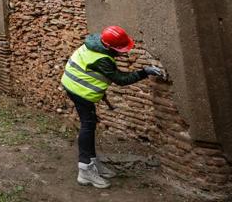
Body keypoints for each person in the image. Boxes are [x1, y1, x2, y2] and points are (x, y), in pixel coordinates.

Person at [61, 25, 164, 189]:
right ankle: (85, 170)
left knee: (90, 124)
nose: (123, 52)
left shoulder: (95, 43)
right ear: (109, 47)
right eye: (120, 49)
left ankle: (92, 162)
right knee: (87, 126)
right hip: (79, 90)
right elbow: (122, 80)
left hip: (73, 84)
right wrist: (145, 71)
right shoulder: (103, 59)